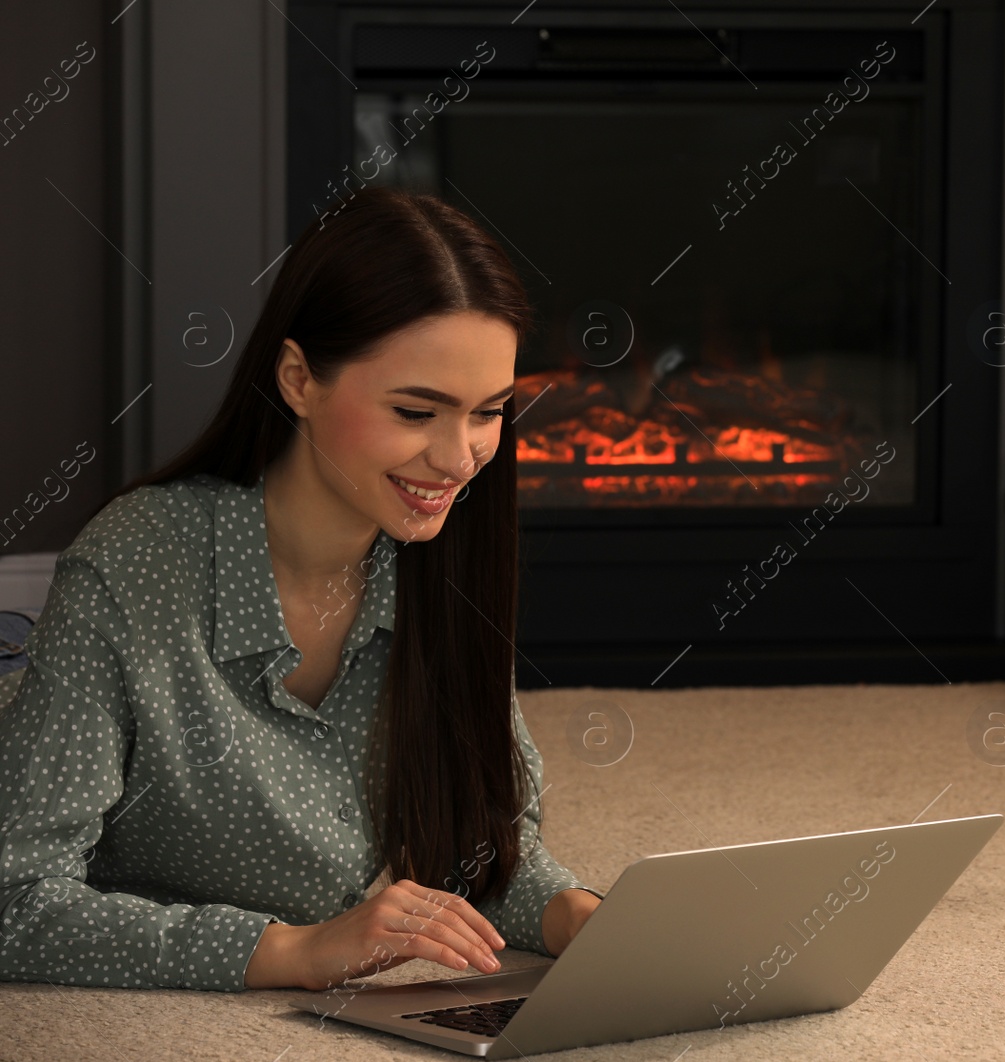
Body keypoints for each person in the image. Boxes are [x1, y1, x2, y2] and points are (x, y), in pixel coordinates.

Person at [0, 186, 602, 991]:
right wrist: (293, 950)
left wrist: (575, 914)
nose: (461, 459)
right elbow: (14, 901)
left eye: (489, 412)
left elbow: (476, 848)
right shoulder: (134, 565)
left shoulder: (437, 556)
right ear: (297, 380)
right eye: (417, 410)